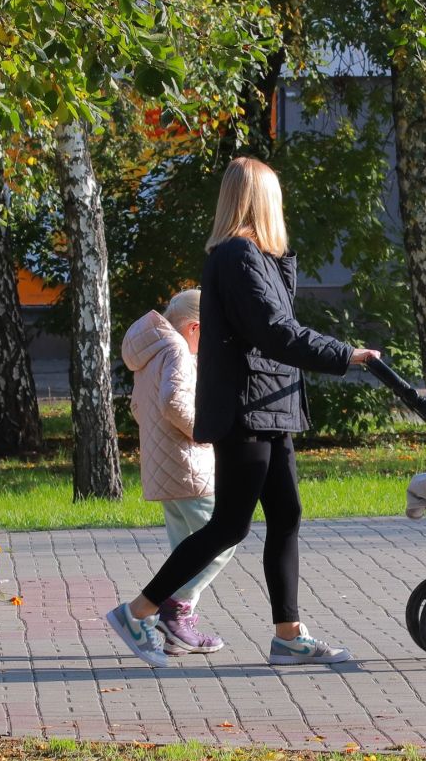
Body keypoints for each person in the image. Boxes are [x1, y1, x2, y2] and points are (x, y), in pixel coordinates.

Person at [108, 156, 380, 668]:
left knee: (286, 516)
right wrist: (346, 355)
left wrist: (283, 262)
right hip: (246, 407)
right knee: (230, 524)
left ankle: (288, 634)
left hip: (268, 404)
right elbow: (275, 331)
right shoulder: (236, 256)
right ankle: (138, 611)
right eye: (275, 195)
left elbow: (274, 321)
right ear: (261, 200)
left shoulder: (256, 257)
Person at [119, 288, 232, 655]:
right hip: (189, 464)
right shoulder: (178, 350)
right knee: (221, 540)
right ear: (194, 328)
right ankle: (174, 611)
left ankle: (173, 629)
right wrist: (208, 432)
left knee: (185, 548)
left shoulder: (150, 352)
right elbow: (174, 402)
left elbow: (140, 407)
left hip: (165, 465)